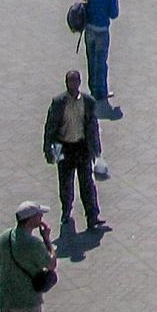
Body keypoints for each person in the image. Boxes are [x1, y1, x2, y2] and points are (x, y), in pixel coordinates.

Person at [42, 69, 103, 231]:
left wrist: (96, 148)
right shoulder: (59, 102)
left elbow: (93, 126)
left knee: (87, 183)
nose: (73, 85)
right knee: (65, 183)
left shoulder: (88, 101)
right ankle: (66, 211)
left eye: (75, 81)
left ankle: (92, 216)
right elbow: (50, 128)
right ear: (66, 83)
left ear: (80, 82)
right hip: (65, 147)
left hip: (82, 147)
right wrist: (49, 150)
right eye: (70, 82)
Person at [0, 201, 57, 312]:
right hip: (27, 302)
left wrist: (6, 285)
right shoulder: (33, 243)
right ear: (31, 219)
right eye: (39, 215)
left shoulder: (4, 236)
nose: (41, 217)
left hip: (6, 300)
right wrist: (47, 239)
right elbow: (51, 264)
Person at [81, 0, 119, 104]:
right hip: (102, 31)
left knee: (91, 59)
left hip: (89, 29)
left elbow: (83, 3)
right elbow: (114, 14)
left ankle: (92, 89)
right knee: (101, 61)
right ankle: (101, 92)